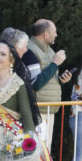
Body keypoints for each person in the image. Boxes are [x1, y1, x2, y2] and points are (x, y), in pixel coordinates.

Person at [22, 19, 72, 150]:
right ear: (46, 34)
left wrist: (61, 80)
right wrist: (55, 63)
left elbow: (47, 78)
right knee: (37, 152)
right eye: (54, 32)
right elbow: (36, 84)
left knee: (46, 151)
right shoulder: (29, 51)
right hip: (38, 110)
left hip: (48, 109)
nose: (56, 35)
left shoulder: (49, 51)